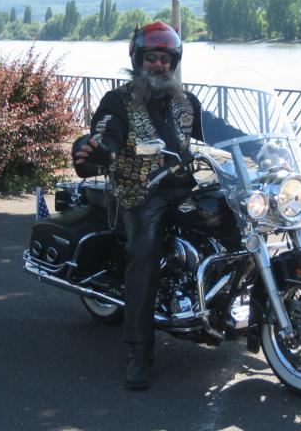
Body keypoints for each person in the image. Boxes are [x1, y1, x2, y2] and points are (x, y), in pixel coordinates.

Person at [73, 21, 244, 390]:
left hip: (182, 190)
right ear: (138, 59)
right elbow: (106, 133)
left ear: (174, 63)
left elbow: (220, 131)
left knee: (235, 223)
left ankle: (233, 310)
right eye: (152, 58)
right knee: (145, 253)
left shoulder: (185, 102)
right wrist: (102, 151)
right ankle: (139, 351)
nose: (159, 65)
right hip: (138, 194)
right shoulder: (118, 101)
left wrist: (261, 146)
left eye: (165, 59)